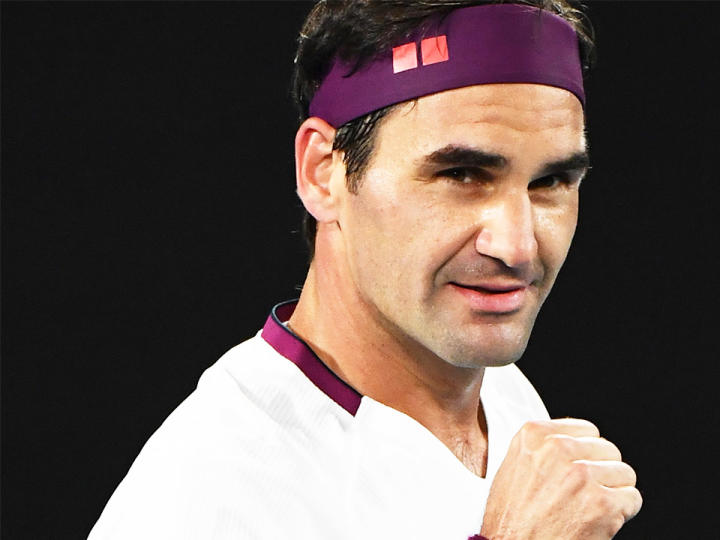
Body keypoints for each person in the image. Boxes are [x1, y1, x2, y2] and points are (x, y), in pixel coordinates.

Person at [89, 1, 642, 538]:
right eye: (462, 173)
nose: (518, 247)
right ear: (323, 173)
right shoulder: (203, 495)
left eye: (550, 183)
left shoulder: (505, 399)